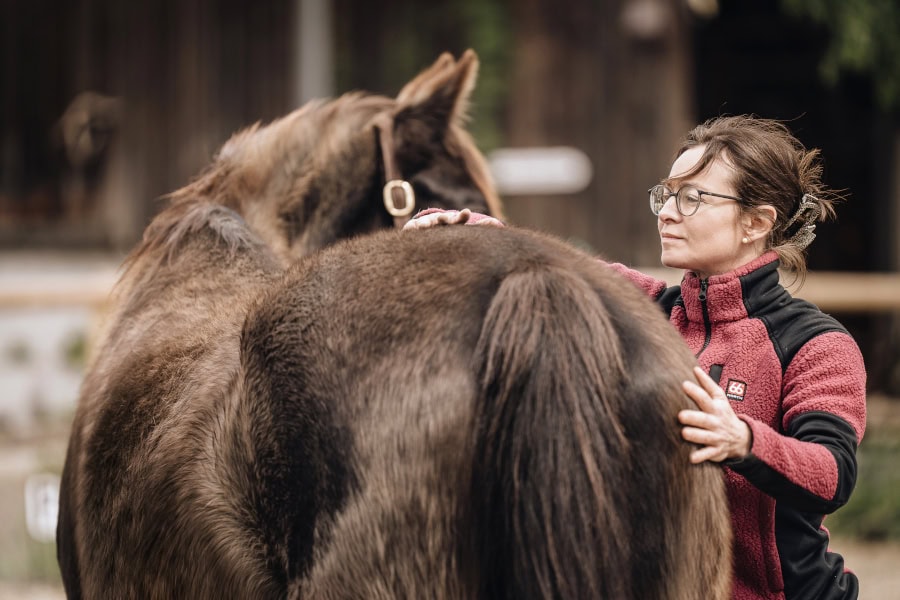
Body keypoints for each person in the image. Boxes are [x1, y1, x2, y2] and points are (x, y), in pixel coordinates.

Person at [404, 115, 867, 600]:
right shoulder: (647, 310)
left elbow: (832, 474)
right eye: (667, 195)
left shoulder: (815, 343)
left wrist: (744, 440)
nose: (667, 212)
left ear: (756, 222)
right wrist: (476, 232)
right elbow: (557, 265)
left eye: (693, 198)